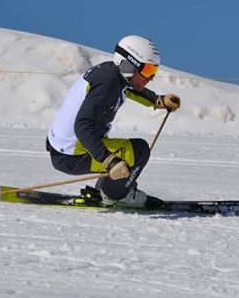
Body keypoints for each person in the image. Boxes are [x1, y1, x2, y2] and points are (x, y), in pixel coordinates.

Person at [46, 35, 181, 207]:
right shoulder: (107, 84)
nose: (151, 77)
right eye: (147, 71)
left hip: (66, 148)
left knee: (124, 156)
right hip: (71, 155)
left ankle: (109, 188)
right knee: (139, 151)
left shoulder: (112, 74)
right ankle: (115, 195)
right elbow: (82, 126)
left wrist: (157, 100)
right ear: (129, 65)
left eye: (153, 71)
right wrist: (110, 161)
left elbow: (131, 89)